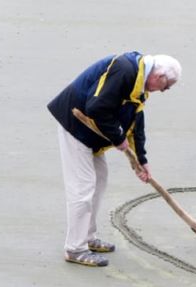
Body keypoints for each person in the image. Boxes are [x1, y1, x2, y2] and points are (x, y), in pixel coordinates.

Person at [48, 51, 181, 267]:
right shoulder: (125, 70)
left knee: (100, 180)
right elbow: (95, 107)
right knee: (83, 188)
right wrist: (118, 139)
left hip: (92, 133)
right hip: (75, 125)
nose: (163, 91)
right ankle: (75, 248)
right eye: (166, 87)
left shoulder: (139, 83)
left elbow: (136, 121)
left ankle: (88, 237)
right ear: (160, 77)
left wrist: (141, 160)